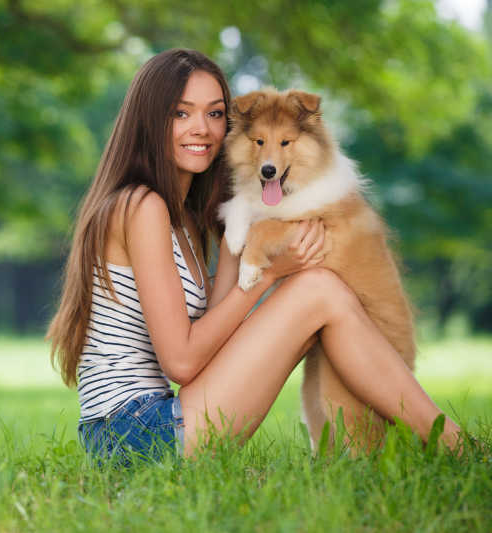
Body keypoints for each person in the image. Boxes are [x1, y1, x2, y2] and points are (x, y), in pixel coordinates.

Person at [46, 48, 463, 463]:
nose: (202, 129)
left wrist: (248, 216)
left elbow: (218, 325)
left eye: (214, 114)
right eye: (181, 113)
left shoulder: (186, 220)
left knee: (322, 291)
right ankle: (457, 446)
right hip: (134, 435)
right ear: (149, 120)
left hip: (156, 424)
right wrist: (268, 274)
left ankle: (379, 449)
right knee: (318, 289)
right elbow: (183, 361)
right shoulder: (141, 207)